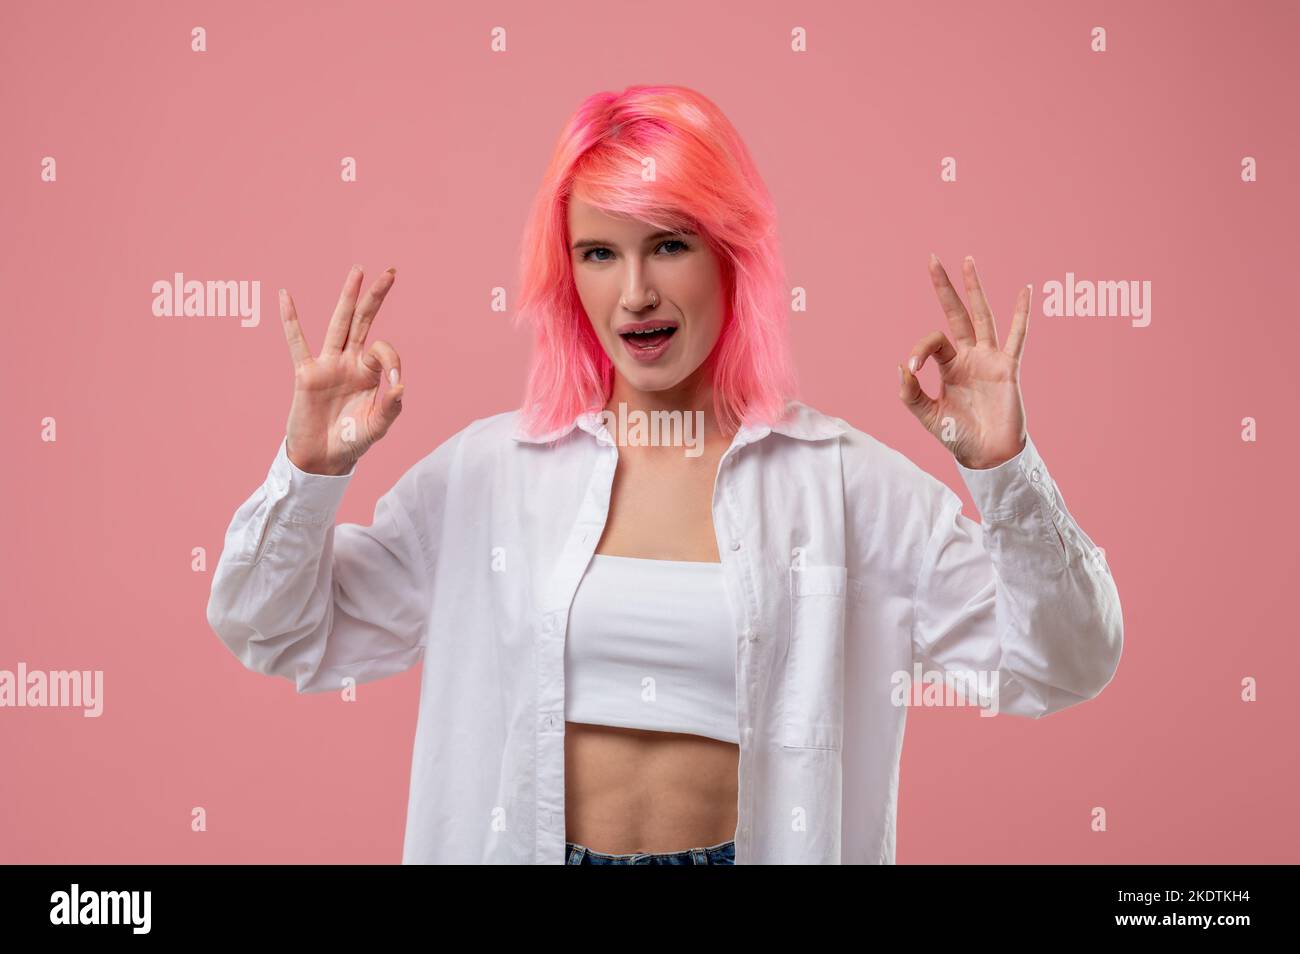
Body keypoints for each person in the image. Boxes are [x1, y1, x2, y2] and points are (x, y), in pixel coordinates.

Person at [206, 84, 1122, 865]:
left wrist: (1006, 470)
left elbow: (1063, 665)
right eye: (599, 253)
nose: (634, 291)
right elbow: (275, 631)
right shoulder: (487, 476)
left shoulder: (843, 485)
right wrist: (310, 473)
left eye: (669, 245)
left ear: (732, 255)